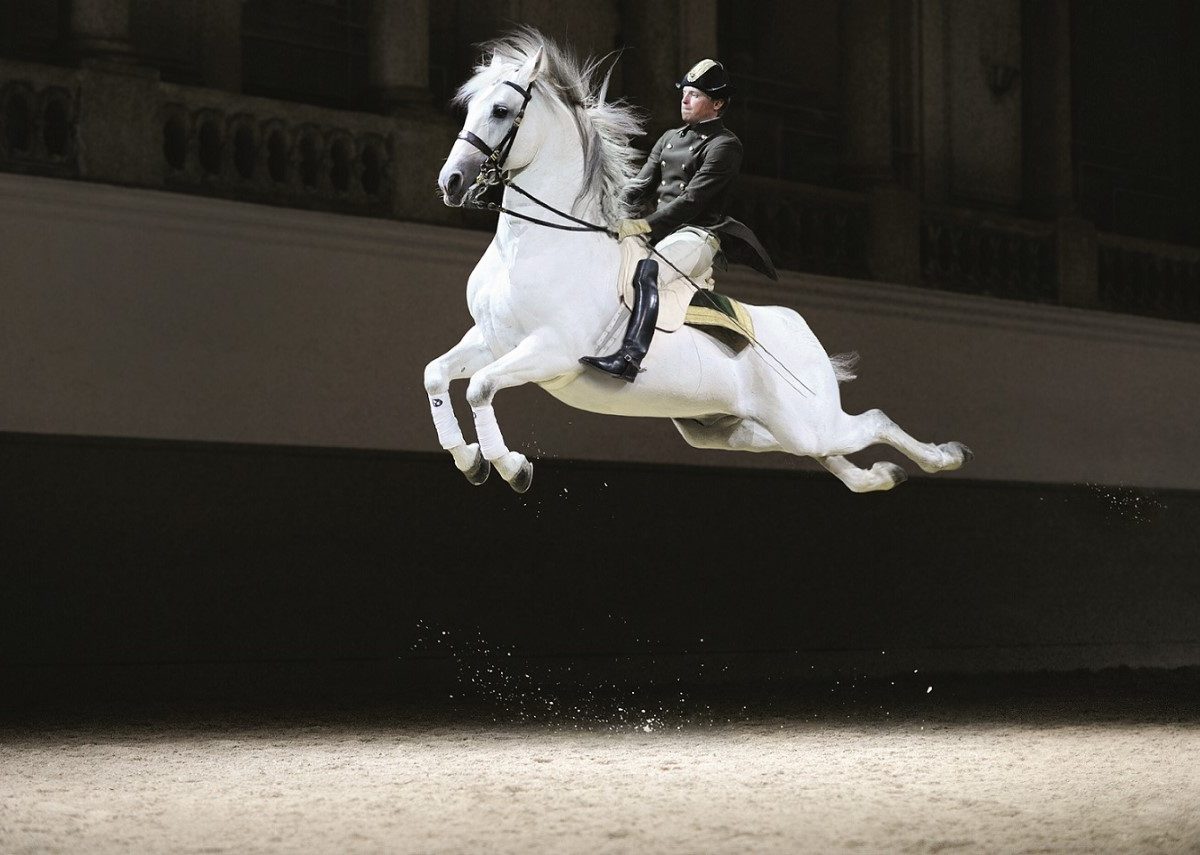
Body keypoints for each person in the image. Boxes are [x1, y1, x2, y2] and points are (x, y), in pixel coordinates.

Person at [580, 58, 777, 382]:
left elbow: (693, 199)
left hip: (697, 235)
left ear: (717, 103)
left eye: (695, 95)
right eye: (685, 93)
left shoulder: (725, 145)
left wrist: (646, 225)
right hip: (659, 232)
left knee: (649, 271)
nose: (685, 99)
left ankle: (630, 357)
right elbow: (641, 185)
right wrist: (604, 210)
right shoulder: (670, 137)